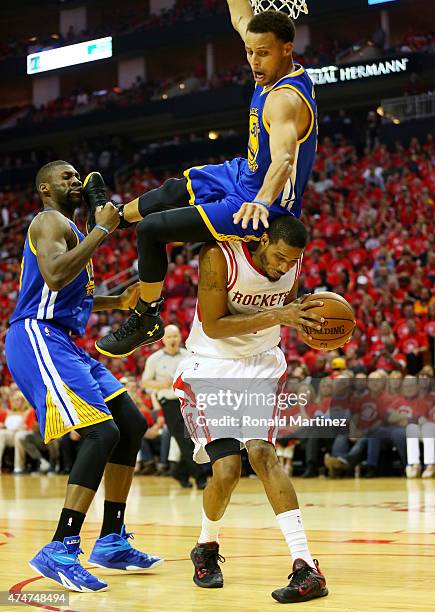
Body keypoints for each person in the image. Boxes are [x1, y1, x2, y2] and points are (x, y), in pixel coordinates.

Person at [83, 3, 317, 357]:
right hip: (245, 174)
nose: (254, 61)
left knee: (152, 230)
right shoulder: (267, 63)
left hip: (259, 207)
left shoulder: (285, 100)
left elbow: (283, 159)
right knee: (176, 189)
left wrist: (261, 201)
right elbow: (240, 18)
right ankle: (112, 216)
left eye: (263, 53)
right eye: (249, 52)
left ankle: (146, 316)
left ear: (287, 48)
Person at [5, 160, 162, 593]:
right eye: (66, 177)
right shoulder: (49, 220)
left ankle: (111, 540)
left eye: (78, 176)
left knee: (132, 423)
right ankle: (61, 546)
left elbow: (71, 291)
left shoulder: (69, 231)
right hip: (37, 336)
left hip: (64, 340)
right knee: (100, 432)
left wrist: (118, 302)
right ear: (44, 188)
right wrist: (103, 230)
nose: (76, 181)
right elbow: (55, 274)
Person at [173, 215, 328, 604]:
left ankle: (306, 566)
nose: (284, 267)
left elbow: (293, 311)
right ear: (262, 240)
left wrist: (316, 326)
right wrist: (281, 315)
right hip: (209, 364)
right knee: (226, 471)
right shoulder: (218, 258)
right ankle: (206, 546)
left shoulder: (291, 267)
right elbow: (214, 325)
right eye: (278, 257)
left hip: (261, 364)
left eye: (292, 261)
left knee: (262, 453)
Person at [141, 325, 207, 489]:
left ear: (180, 337)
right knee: (184, 439)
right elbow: (145, 381)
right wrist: (161, 384)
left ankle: (179, 472)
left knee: (193, 439)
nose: (173, 339)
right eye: (169, 337)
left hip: (190, 402)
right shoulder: (154, 359)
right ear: (163, 339)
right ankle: (200, 477)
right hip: (169, 403)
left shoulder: (188, 356)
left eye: (175, 336)